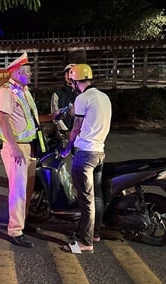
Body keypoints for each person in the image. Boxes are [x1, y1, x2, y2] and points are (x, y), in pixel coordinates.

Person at [61, 64, 112, 254]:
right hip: (99, 152)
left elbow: (76, 127)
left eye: (71, 81)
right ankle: (95, 233)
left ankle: (85, 243)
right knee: (96, 196)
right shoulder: (104, 97)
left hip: (85, 153)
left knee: (86, 200)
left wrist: (68, 145)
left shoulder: (83, 98)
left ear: (75, 81)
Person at [0, 52, 44, 248]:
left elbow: (31, 118)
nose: (31, 74)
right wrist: (14, 147)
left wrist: (52, 116)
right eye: (28, 71)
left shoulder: (24, 91)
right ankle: (15, 230)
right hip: (16, 148)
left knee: (28, 188)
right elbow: (3, 120)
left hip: (30, 147)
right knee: (18, 190)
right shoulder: (6, 91)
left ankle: (22, 223)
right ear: (17, 71)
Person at [50, 64, 79, 133]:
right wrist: (65, 131)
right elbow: (55, 116)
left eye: (72, 73)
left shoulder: (82, 94)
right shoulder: (57, 94)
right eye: (67, 73)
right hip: (63, 134)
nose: (69, 76)